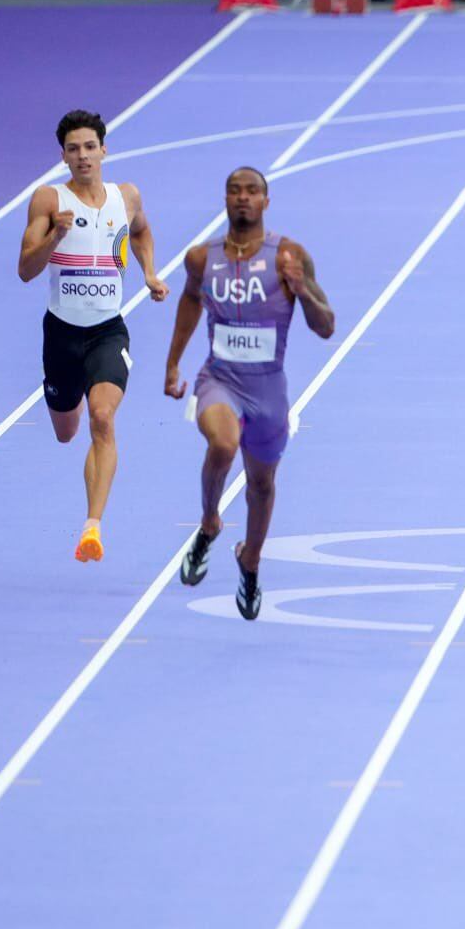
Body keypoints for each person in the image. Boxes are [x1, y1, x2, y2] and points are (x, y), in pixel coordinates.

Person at [164, 167, 333, 618]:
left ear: (265, 202)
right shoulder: (201, 258)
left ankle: (250, 560)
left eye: (252, 191)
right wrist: (173, 362)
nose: (243, 198)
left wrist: (304, 292)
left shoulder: (289, 256)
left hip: (269, 390)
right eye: (235, 191)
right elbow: (189, 302)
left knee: (261, 485)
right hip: (220, 379)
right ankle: (209, 522)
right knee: (222, 444)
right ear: (225, 199)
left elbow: (326, 326)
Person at [17, 109, 167, 561]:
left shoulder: (128, 196)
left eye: (89, 147)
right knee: (68, 431)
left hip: (107, 331)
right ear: (62, 156)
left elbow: (140, 232)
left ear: (104, 149)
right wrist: (54, 238)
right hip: (61, 335)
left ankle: (92, 528)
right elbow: (25, 270)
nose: (82, 156)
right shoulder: (48, 201)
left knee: (103, 419)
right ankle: (71, 397)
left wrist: (150, 273)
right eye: (72, 149)